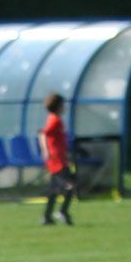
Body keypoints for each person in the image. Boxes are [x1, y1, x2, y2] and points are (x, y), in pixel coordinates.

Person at [38, 92, 74, 226]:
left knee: (53, 190)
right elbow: (43, 134)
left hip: (60, 159)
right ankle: (63, 212)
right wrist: (45, 151)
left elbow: (58, 141)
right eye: (63, 104)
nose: (65, 107)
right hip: (56, 160)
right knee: (70, 186)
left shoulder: (54, 119)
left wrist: (67, 156)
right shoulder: (55, 120)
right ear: (58, 106)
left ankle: (47, 217)